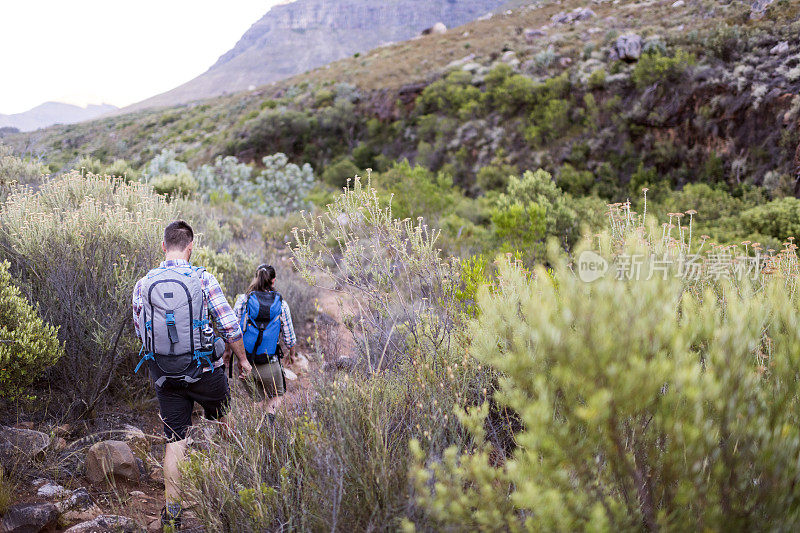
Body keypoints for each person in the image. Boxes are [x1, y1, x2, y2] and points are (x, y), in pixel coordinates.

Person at [132, 220, 252, 530]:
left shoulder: (144, 283)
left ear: (163, 246)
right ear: (190, 248)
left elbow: (140, 329)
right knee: (227, 420)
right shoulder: (202, 278)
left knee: (175, 441)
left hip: (165, 376)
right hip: (205, 372)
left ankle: (172, 512)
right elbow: (228, 325)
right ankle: (238, 486)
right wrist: (242, 360)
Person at [233, 264, 297, 421]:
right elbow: (289, 338)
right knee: (276, 395)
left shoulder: (243, 300)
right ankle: (268, 425)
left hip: (245, 362)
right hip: (269, 363)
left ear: (256, 277)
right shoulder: (281, 304)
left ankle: (254, 430)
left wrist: (230, 355)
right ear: (273, 281)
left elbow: (232, 331)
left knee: (257, 399)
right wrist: (292, 355)